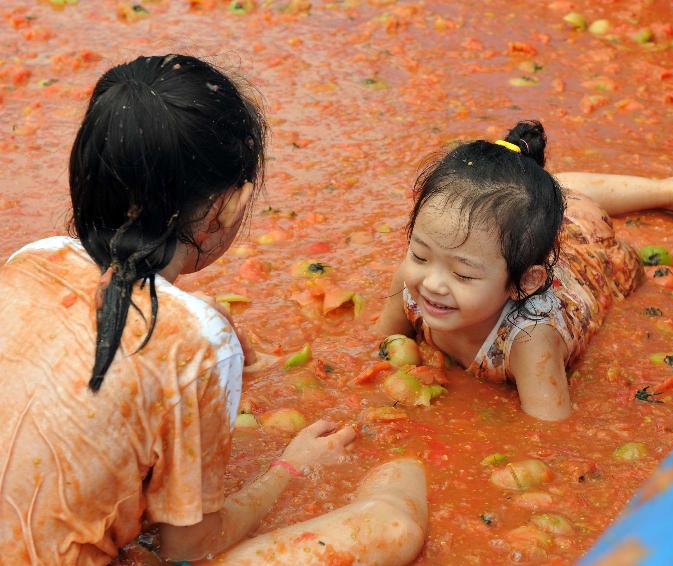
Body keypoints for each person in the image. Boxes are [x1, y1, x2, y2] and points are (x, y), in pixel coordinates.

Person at [0, 54, 426, 565]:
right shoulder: (198, 341)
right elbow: (190, 547)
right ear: (232, 205)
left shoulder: (33, 256)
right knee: (393, 523)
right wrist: (289, 471)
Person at [377, 120, 673, 421]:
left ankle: (666, 190)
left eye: (464, 275)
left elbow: (550, 430)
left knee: (570, 200)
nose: (432, 284)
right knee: (551, 194)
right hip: (518, 246)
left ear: (522, 284)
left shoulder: (529, 341)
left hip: (592, 260)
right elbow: (376, 348)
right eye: (420, 255)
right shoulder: (412, 283)